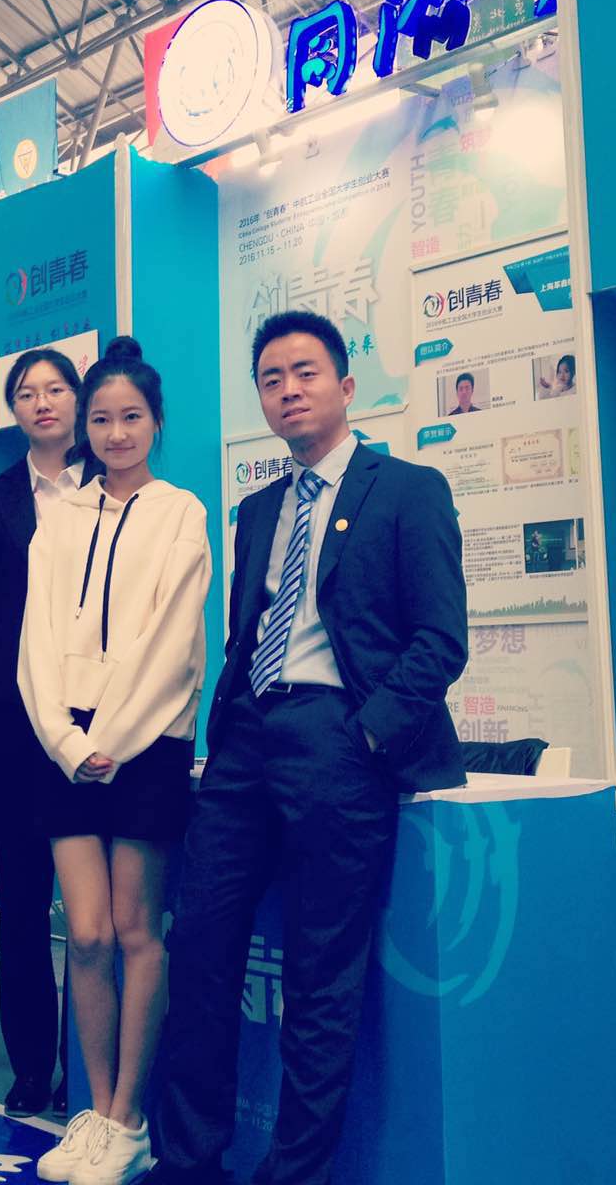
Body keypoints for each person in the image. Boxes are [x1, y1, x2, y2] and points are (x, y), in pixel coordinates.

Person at [150, 309, 468, 1185]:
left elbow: (441, 640)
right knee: (200, 946)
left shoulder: (407, 490)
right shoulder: (258, 509)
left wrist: (366, 734)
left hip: (340, 739)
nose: (287, 390)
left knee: (321, 974)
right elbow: (246, 633)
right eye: (271, 379)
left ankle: (294, 1175)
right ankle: (188, 1160)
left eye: (305, 373)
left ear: (345, 385)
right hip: (247, 742)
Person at [19, 336, 212, 1185]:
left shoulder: (181, 512)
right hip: (65, 749)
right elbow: (35, 638)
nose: (116, 432)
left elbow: (173, 642)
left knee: (137, 932)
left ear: (156, 422)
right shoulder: (59, 516)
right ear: (83, 428)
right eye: (101, 419)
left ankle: (130, 1119)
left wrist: (116, 739)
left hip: (148, 744)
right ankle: (96, 1114)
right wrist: (66, 741)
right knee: (87, 933)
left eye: (131, 417)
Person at [0, 348, 86, 1117]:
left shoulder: (114, 483)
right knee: (22, 904)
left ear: (78, 399)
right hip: (13, 726)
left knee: (95, 915)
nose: (42, 402)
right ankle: (31, 1064)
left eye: (55, 389)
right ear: (12, 411)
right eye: (26, 393)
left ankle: (89, 1067)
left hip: (101, 722)